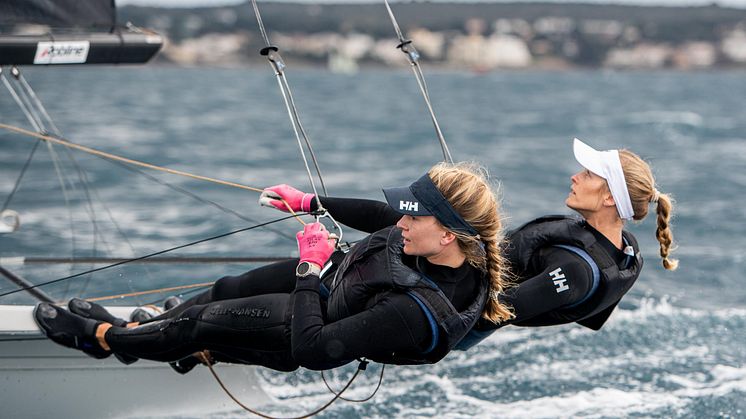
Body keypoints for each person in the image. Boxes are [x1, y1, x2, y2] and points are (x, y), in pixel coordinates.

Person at [34, 162, 513, 371]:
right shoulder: (438, 238)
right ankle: (161, 334)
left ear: (448, 233)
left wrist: (309, 268)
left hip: (315, 326)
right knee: (227, 286)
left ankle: (102, 340)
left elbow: (313, 350)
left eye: (415, 213)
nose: (402, 219)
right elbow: (376, 214)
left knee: (199, 323)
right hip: (338, 281)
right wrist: (307, 201)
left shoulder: (419, 309)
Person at [458, 138, 678, 350]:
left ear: (609, 198)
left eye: (588, 174)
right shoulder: (627, 252)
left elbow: (493, 314)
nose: (575, 177)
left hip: (450, 311)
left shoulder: (575, 271)